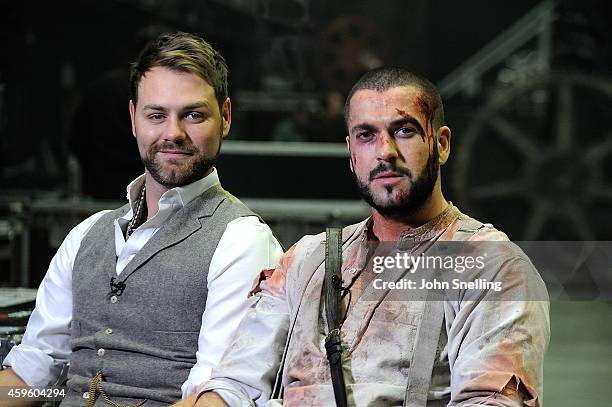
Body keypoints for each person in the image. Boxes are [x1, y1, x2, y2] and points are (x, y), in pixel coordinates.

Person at [195, 67, 550, 406]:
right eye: (367, 135)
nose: (385, 152)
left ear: (441, 144)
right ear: (351, 153)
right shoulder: (306, 259)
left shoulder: (492, 267)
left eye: (404, 131)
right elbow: (234, 386)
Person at [0, 32, 283, 406]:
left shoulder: (242, 240)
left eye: (194, 115)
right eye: (156, 115)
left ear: (225, 117)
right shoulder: (87, 234)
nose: (173, 133)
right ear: (134, 119)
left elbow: (217, 395)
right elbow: (31, 375)